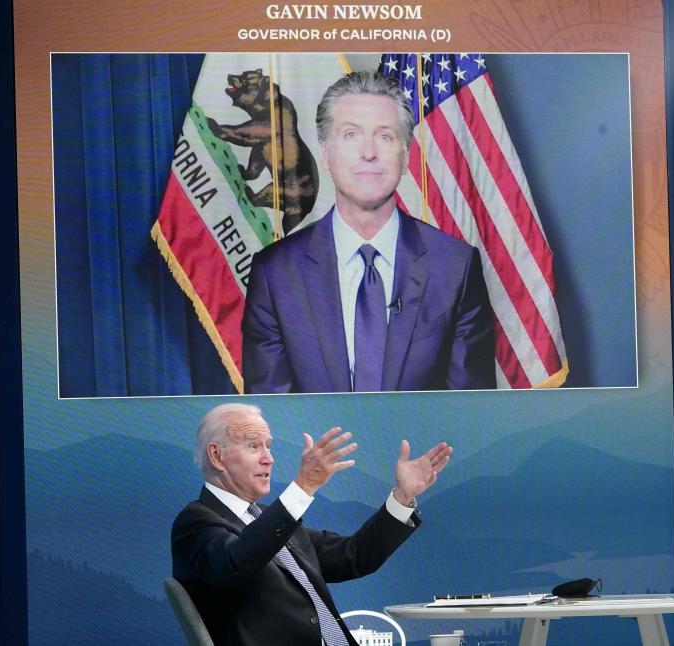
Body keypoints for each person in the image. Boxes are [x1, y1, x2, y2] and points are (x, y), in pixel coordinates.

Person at [242, 70, 496, 393]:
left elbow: (470, 412)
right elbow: (273, 419)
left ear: (405, 156)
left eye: (385, 136)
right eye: (351, 135)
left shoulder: (455, 268)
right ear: (324, 152)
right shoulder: (275, 274)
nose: (368, 152)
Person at [171, 403, 452, 646]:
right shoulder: (197, 523)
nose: (269, 458)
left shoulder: (268, 518)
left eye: (269, 446)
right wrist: (303, 486)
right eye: (253, 445)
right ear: (216, 456)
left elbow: (353, 556)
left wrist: (403, 497)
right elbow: (237, 564)